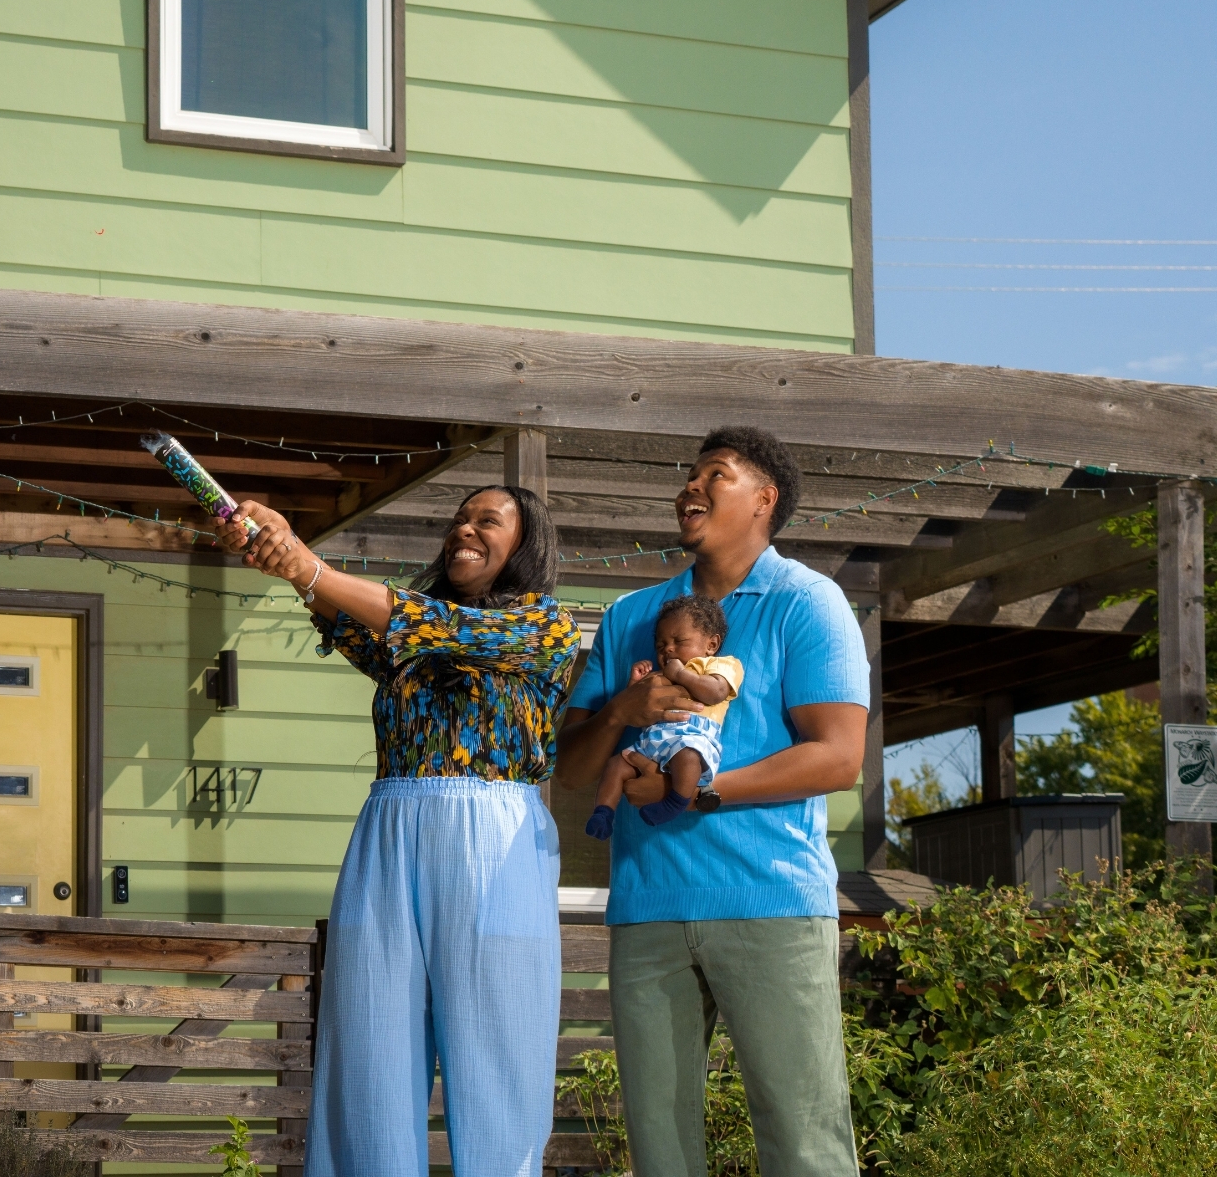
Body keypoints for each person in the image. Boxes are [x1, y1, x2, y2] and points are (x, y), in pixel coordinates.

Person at [234, 483, 580, 1177]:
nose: (464, 529)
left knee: (499, 1051)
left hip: (496, 841)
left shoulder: (546, 626)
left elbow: (431, 625)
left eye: (488, 521)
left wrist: (305, 562)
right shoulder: (407, 639)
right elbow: (354, 618)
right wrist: (278, 551)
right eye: (460, 518)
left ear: (526, 545)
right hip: (389, 828)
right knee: (369, 1044)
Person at [557, 426, 871, 1177]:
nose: (690, 487)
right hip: (648, 908)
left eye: (715, 474)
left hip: (772, 903)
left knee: (804, 1145)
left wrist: (699, 794)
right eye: (689, 475)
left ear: (764, 499)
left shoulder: (808, 603)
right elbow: (571, 770)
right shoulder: (631, 615)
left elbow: (838, 756)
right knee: (661, 1152)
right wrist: (622, 711)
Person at [585, 594, 741, 836]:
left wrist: (680, 675)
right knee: (617, 764)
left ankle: (675, 803)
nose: (668, 648)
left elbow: (716, 692)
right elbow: (637, 710)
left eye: (679, 641)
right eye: (661, 645)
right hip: (653, 739)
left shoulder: (719, 666)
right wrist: (634, 686)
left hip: (692, 736)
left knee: (688, 757)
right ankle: (603, 812)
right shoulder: (660, 674)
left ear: (711, 644)